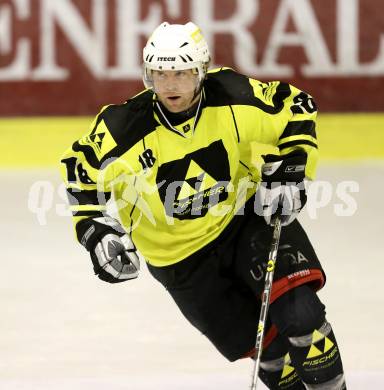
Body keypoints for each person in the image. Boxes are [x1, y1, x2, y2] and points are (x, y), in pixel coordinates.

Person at [60, 21, 346, 389]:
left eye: (180, 72)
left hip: (245, 218)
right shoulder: (122, 127)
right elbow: (77, 169)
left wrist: (293, 167)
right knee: (270, 353)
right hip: (179, 261)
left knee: (301, 313)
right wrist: (94, 231)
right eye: (159, 74)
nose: (169, 84)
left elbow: (297, 107)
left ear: (201, 71)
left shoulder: (233, 93)